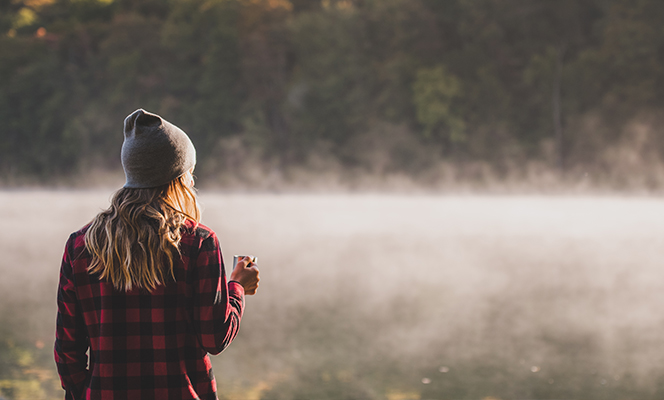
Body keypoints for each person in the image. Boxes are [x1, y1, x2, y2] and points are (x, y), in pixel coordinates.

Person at [54, 109, 260, 400]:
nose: (191, 179)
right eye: (189, 171)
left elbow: (68, 352)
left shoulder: (81, 245)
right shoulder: (199, 243)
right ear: (177, 177)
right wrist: (237, 286)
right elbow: (215, 337)